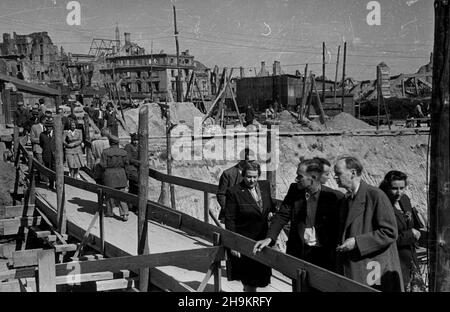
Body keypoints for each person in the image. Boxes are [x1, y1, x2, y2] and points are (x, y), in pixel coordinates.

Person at [253, 159, 344, 273]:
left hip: (323, 256)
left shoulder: (335, 198)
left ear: (314, 177)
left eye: (300, 176)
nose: (296, 179)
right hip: (299, 252)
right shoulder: (294, 190)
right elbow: (282, 215)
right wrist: (270, 238)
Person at [334, 156, 404, 292]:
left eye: (338, 173)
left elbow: (389, 232)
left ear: (353, 173)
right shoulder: (346, 199)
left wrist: (357, 242)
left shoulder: (376, 196)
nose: (335, 177)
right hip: (354, 266)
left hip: (373, 268)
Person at [224, 161, 277, 292]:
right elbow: (230, 220)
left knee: (261, 280)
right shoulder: (234, 192)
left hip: (262, 240)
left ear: (258, 176)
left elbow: (269, 205)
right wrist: (234, 243)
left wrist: (270, 212)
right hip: (245, 242)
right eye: (249, 177)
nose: (252, 180)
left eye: (255, 177)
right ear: (243, 175)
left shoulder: (264, 186)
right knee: (249, 281)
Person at [379, 170, 424, 290]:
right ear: (387, 186)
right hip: (395, 260)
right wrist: (410, 235)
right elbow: (383, 237)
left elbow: (410, 223)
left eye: (402, 188)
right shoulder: (381, 203)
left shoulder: (404, 199)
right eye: (394, 188)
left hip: (411, 257)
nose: (399, 192)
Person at [217, 148, 256, 222]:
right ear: (242, 160)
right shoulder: (228, 174)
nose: (252, 163)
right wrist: (230, 211)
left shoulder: (253, 173)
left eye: (253, 161)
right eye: (250, 161)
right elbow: (221, 195)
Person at [100, 135, 129, 221]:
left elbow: (103, 165)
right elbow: (127, 166)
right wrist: (126, 177)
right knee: (122, 195)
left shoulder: (105, 152)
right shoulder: (124, 152)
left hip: (109, 175)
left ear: (110, 142)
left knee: (109, 195)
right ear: (118, 143)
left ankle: (110, 212)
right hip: (121, 175)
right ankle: (125, 214)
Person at [39, 118, 56, 190]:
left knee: (54, 170)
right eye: (47, 127)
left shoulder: (55, 135)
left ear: (52, 127)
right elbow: (41, 144)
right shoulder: (42, 135)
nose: (48, 128)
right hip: (46, 154)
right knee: (47, 169)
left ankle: (54, 184)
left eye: (50, 127)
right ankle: (49, 184)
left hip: (54, 156)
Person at [124, 133, 139, 211]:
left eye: (137, 140)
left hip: (137, 169)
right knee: (137, 185)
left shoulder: (139, 147)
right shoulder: (128, 147)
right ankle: (135, 205)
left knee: (133, 188)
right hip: (131, 169)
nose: (136, 142)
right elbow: (128, 159)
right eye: (134, 140)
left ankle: (132, 205)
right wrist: (138, 162)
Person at [30, 115, 46, 182]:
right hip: (38, 148)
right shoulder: (34, 127)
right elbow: (32, 138)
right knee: (40, 163)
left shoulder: (48, 127)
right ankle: (41, 178)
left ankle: (45, 178)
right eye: (46, 120)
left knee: (45, 163)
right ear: (42, 120)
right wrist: (41, 140)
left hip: (46, 149)